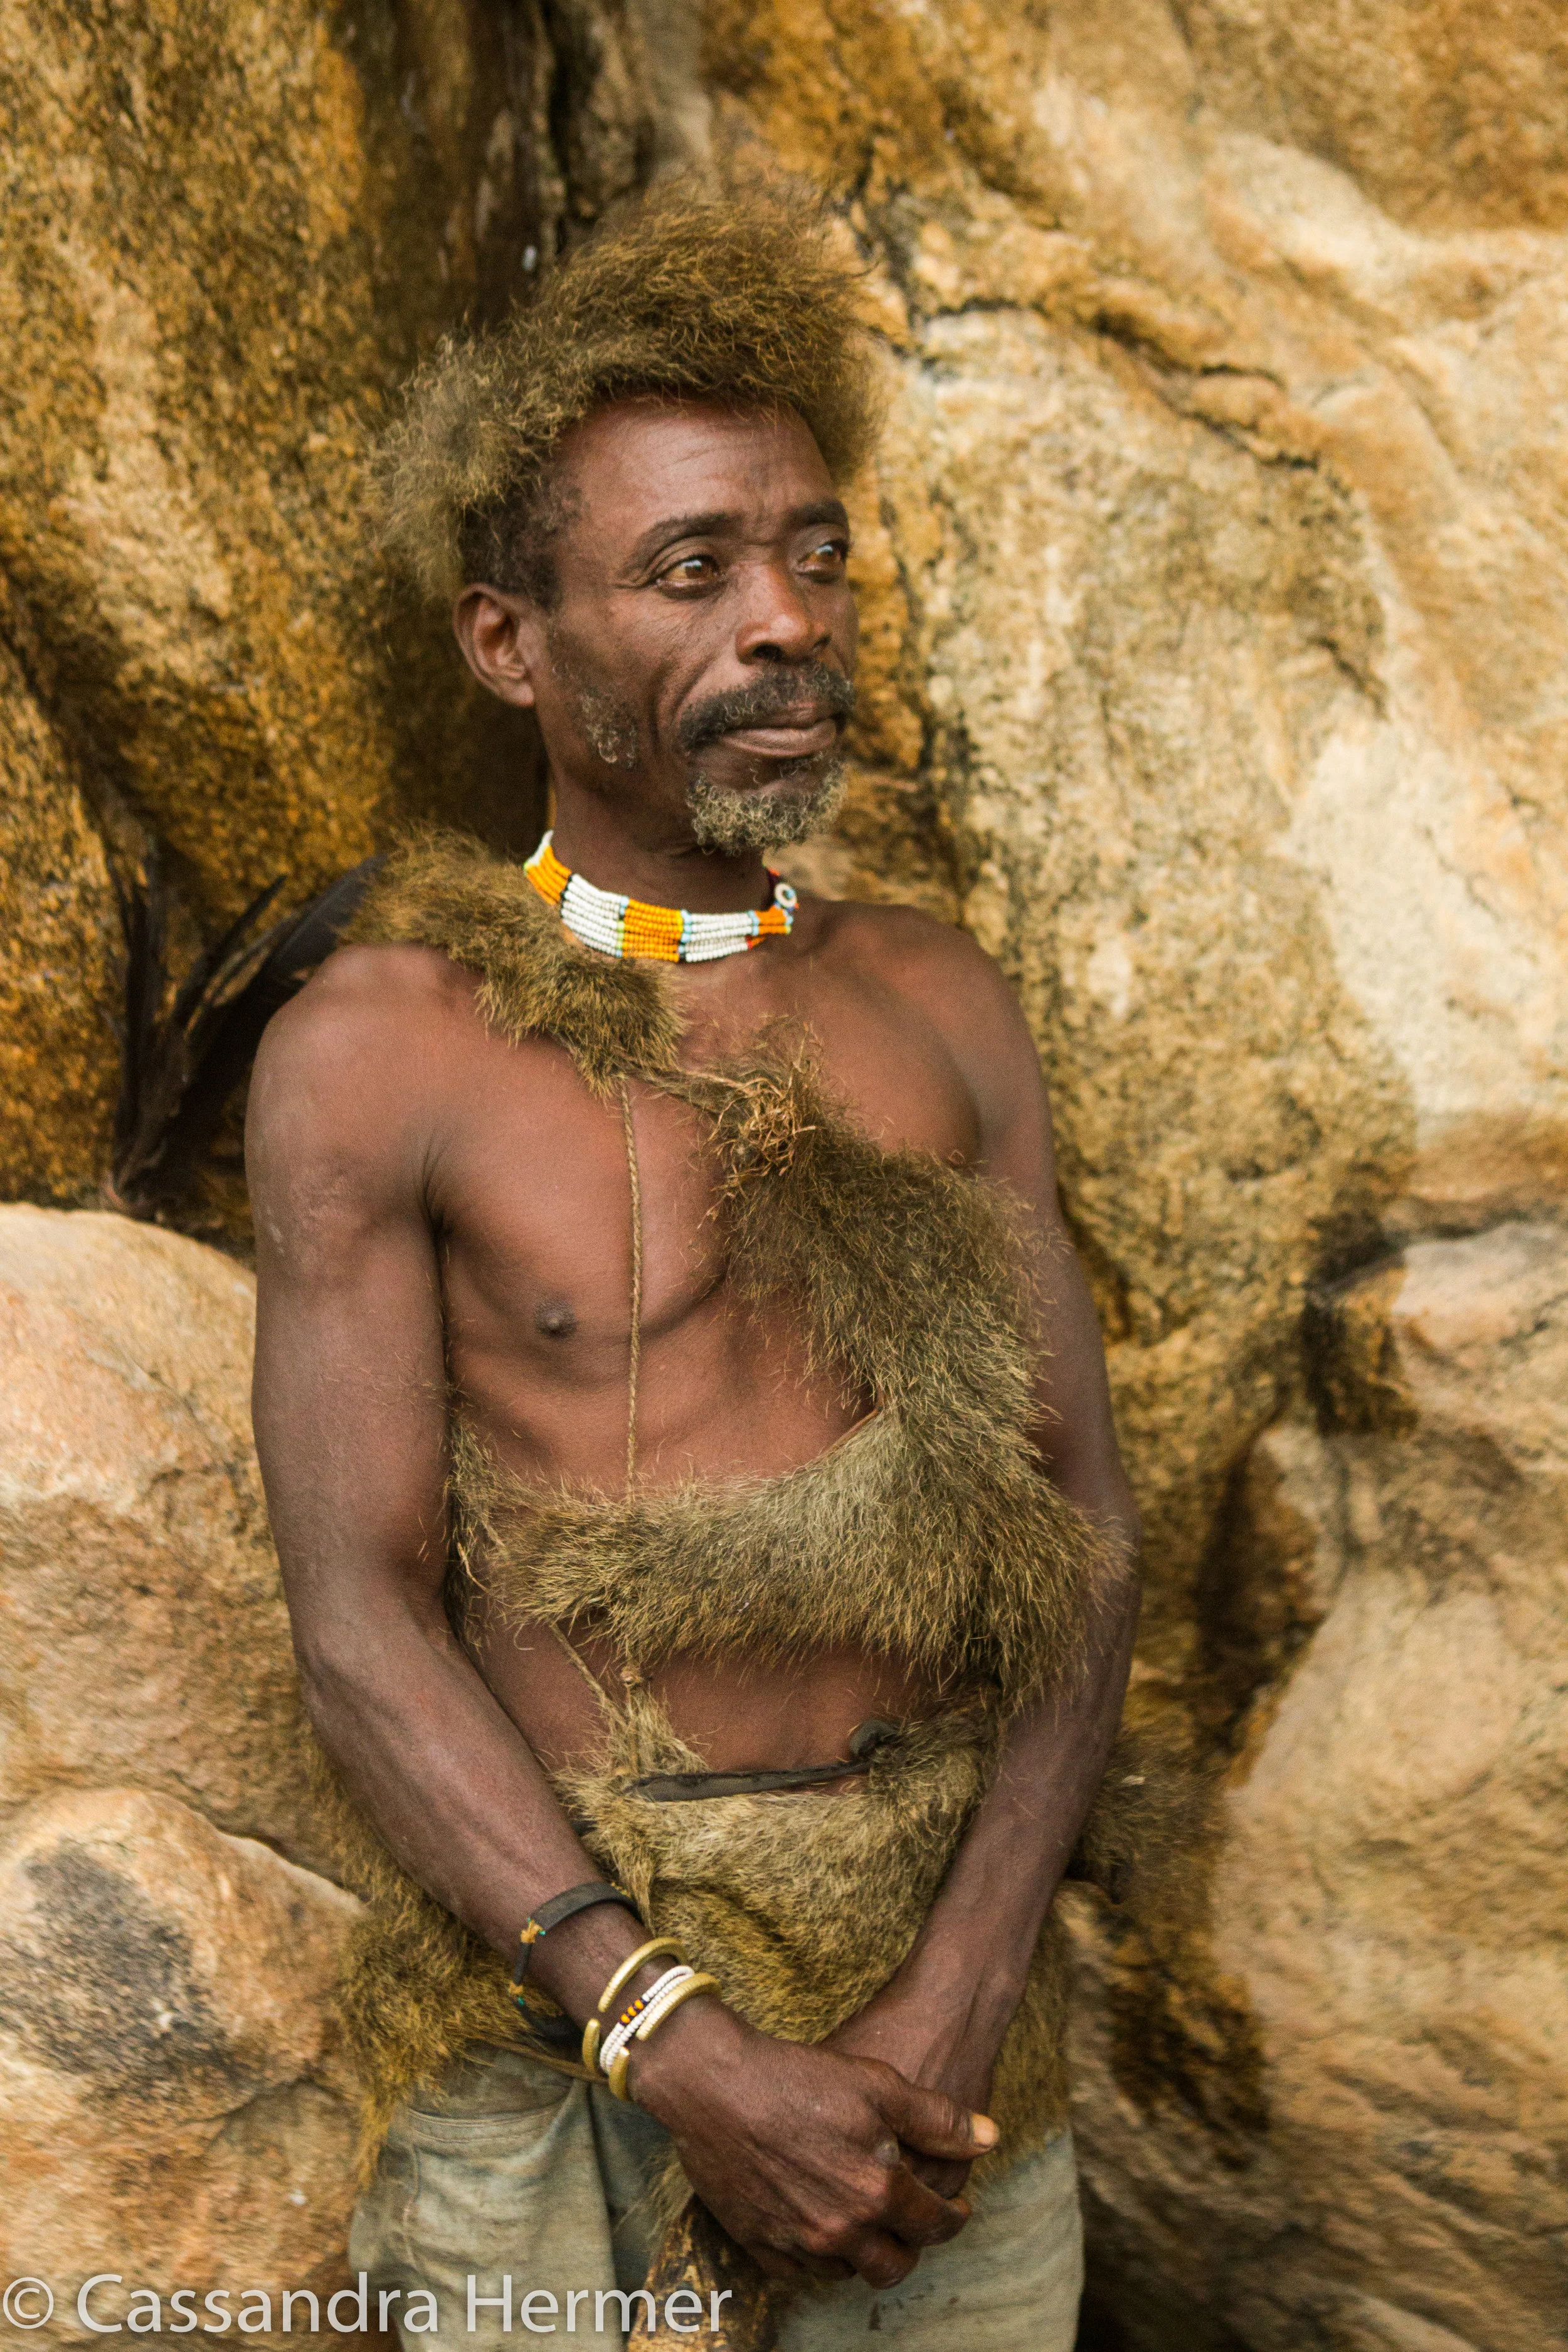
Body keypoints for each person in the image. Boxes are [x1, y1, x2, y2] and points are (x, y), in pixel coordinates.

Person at [247, 177, 1141, 2352]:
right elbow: (358, 1615)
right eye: (691, 570)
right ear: (506, 644)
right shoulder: (382, 1048)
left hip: (949, 2094)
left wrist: (960, 1999)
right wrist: (675, 2041)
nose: (789, 620)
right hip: (563, 2067)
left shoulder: (939, 1003)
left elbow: (1080, 1537)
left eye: (812, 552)